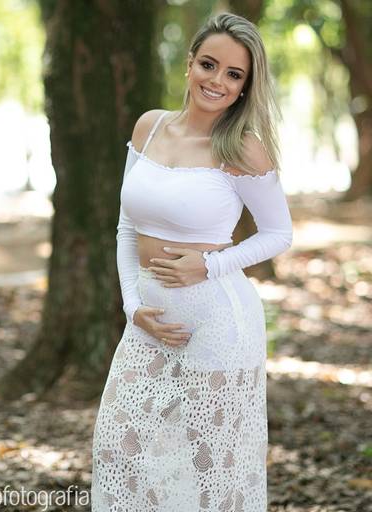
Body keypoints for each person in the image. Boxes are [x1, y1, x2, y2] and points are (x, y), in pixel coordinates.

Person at [90, 12, 293, 512]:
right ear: (190, 63)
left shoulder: (242, 148)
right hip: (149, 320)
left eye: (234, 74)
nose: (217, 80)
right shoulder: (150, 126)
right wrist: (131, 306)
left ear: (245, 87)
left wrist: (209, 265)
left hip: (218, 321)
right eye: (209, 64)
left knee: (211, 468)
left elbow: (279, 234)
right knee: (119, 446)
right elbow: (126, 228)